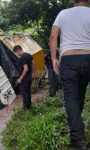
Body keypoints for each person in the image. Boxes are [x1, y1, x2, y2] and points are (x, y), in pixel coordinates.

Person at [49, 0, 90, 149]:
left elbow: (53, 37)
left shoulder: (63, 13)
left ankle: (78, 140)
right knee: (80, 95)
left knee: (71, 98)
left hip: (69, 59)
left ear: (73, 1)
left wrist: (54, 58)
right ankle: (77, 128)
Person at [14, 45, 33, 110]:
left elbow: (26, 69)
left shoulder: (22, 57)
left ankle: (26, 108)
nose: (17, 54)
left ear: (18, 50)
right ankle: (29, 105)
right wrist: (33, 73)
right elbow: (33, 63)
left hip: (25, 78)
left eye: (16, 53)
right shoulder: (29, 55)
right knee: (28, 91)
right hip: (29, 76)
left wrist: (20, 79)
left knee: (24, 92)